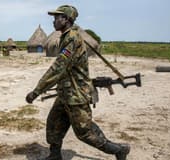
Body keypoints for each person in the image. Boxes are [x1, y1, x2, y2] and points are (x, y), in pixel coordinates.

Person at [25, 5, 130, 160]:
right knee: (54, 124)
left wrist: (37, 91)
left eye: (57, 18)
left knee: (85, 132)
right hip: (65, 94)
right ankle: (55, 155)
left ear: (66, 19)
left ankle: (119, 150)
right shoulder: (65, 37)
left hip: (76, 95)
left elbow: (58, 68)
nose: (53, 22)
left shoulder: (72, 39)